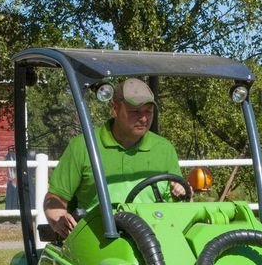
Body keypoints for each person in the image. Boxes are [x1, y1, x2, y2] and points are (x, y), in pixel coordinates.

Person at [43, 77, 184, 238]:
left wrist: (182, 193)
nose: (144, 119)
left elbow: (179, 199)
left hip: (156, 236)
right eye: (135, 112)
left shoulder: (164, 149)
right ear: (115, 109)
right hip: (99, 238)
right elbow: (55, 199)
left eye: (148, 112)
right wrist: (60, 218)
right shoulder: (83, 146)